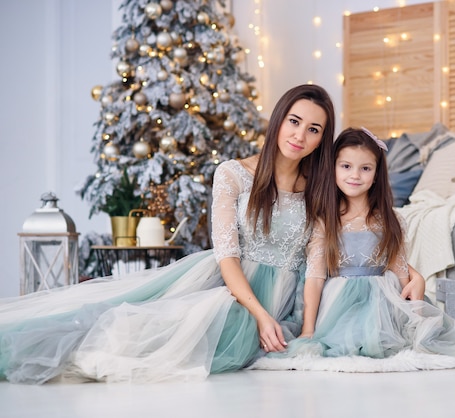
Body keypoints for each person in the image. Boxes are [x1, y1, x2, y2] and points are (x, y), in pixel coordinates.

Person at [0, 84, 338, 384]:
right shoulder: (233, 174)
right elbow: (227, 254)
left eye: (313, 129)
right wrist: (260, 315)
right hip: (231, 288)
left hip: (286, 302)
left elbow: (315, 268)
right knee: (137, 336)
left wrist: (307, 332)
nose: (299, 136)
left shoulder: (319, 192)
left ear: (322, 138)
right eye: (294, 121)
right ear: (278, 120)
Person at [273, 127, 455, 364]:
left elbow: (398, 269)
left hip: (382, 298)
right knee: (343, 342)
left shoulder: (390, 219)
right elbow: (316, 276)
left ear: (376, 175)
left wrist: (416, 310)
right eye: (346, 166)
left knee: (397, 340)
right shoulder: (324, 220)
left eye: (365, 168)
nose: (355, 175)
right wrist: (308, 330)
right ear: (333, 169)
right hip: (338, 301)